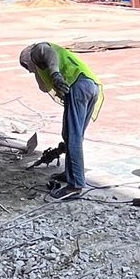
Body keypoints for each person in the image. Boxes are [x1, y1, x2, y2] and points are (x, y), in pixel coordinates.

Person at [19, 43, 103, 199]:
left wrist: (55, 74)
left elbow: (47, 52)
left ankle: (75, 185)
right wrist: (45, 73)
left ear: (28, 58)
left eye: (26, 66)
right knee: (71, 135)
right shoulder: (44, 62)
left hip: (77, 86)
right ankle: (71, 173)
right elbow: (44, 87)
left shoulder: (38, 50)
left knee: (73, 136)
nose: (29, 70)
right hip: (91, 86)